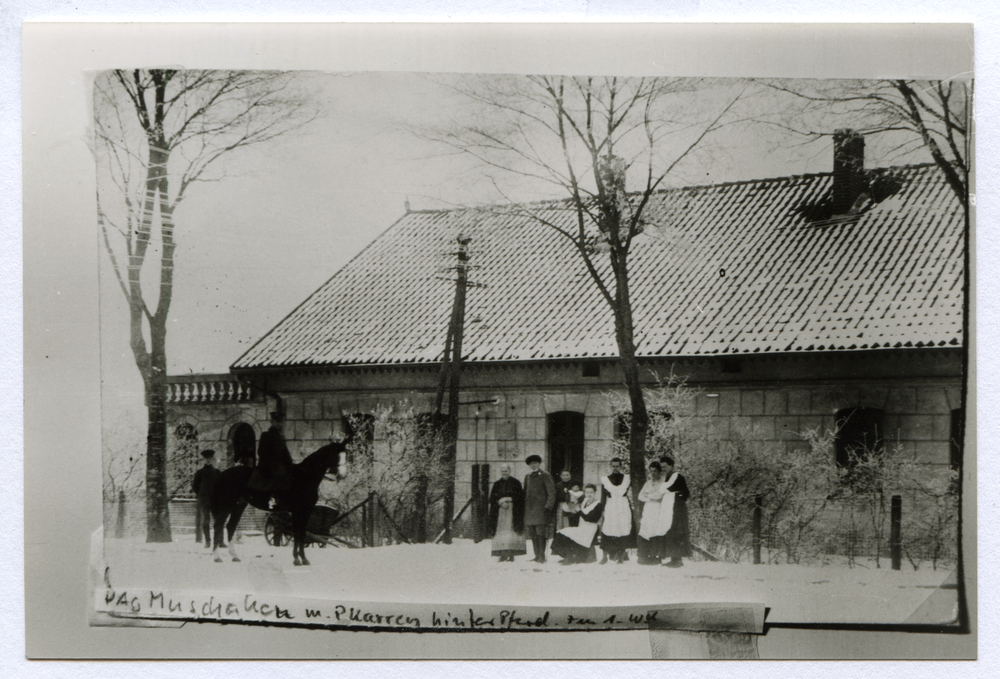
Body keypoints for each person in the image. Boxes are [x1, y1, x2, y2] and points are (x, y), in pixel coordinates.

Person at [247, 411, 294, 510]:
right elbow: (261, 452)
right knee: (280, 474)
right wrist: (274, 463)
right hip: (268, 466)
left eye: (280, 422)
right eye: (277, 422)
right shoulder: (266, 435)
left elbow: (286, 453)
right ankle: (272, 500)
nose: (280, 424)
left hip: (279, 466)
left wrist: (290, 463)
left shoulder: (280, 437)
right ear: (272, 422)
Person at [550, 484, 604, 565]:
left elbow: (591, 518)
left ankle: (569, 558)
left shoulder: (598, 504)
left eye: (591, 492)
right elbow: (575, 507)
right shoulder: (584, 501)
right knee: (561, 532)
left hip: (590, 529)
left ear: (595, 492)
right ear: (584, 493)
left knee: (568, 533)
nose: (589, 494)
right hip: (581, 527)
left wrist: (579, 510)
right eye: (587, 492)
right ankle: (567, 556)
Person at [488, 464, 526, 562]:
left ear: (510, 471)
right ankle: (502, 554)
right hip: (500, 512)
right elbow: (492, 498)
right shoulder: (497, 483)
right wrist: (499, 501)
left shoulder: (516, 482)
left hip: (512, 511)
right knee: (500, 532)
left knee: (511, 531)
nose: (504, 473)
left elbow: (520, 497)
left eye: (506, 471)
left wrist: (508, 499)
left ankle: (511, 553)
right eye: (502, 471)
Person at [659, 455, 692, 568]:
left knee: (677, 531)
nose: (663, 469)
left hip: (676, 508)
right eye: (661, 467)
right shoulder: (667, 478)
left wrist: (677, 500)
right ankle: (673, 558)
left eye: (665, 466)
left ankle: (678, 560)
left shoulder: (677, 477)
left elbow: (685, 493)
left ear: (671, 466)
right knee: (670, 531)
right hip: (669, 507)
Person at [599, 457, 634, 564]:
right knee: (608, 528)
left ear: (620, 466)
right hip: (611, 506)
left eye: (617, 466)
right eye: (613, 466)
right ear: (610, 466)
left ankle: (621, 555)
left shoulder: (627, 478)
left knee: (622, 528)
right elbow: (603, 496)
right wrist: (602, 510)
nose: (615, 468)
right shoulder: (605, 479)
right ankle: (605, 556)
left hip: (623, 505)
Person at [522, 454, 556, 563]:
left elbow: (551, 493)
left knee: (540, 533)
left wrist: (548, 507)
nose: (533, 465)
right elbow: (525, 492)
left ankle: (542, 556)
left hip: (541, 510)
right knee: (532, 534)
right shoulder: (527, 476)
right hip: (529, 510)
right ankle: (536, 555)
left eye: (535, 463)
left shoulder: (545, 475)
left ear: (539, 463)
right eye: (531, 464)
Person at [636, 460, 669, 565]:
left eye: (655, 471)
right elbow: (640, 496)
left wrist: (649, 495)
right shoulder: (648, 483)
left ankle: (656, 556)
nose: (653, 474)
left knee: (655, 531)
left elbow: (660, 495)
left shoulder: (663, 483)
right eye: (651, 472)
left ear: (659, 472)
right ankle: (644, 556)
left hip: (658, 509)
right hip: (648, 508)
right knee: (646, 530)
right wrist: (651, 497)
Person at [191, 449, 219, 547]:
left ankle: (219, 541)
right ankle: (208, 541)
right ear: (204, 459)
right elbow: (195, 487)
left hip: (216, 501)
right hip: (204, 500)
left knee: (218, 521)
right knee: (205, 521)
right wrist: (202, 495)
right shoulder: (199, 473)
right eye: (206, 458)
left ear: (213, 459)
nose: (208, 460)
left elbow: (221, 486)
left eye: (210, 458)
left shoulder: (217, 472)